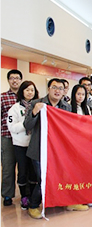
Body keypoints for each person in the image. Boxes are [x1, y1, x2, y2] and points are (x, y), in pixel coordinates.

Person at [24, 78, 88, 219]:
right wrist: (34, 112)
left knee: (65, 176)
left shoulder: (65, 106)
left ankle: (69, 202)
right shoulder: (37, 103)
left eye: (60, 88)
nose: (57, 91)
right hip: (40, 149)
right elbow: (27, 126)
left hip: (60, 150)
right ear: (48, 89)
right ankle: (33, 205)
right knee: (43, 178)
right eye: (54, 87)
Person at [7, 81, 38, 210]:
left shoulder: (38, 106)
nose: (30, 92)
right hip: (20, 144)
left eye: (32, 90)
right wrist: (26, 124)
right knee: (22, 171)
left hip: (34, 143)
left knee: (33, 171)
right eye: (27, 90)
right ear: (22, 92)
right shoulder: (15, 108)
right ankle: (24, 196)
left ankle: (32, 196)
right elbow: (12, 127)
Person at [1, 69, 23, 206]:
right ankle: (7, 195)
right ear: (8, 80)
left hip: (23, 138)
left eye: (17, 78)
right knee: (8, 167)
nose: (15, 80)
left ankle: (24, 194)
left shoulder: (26, 96)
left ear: (21, 80)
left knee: (24, 166)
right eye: (12, 78)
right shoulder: (2, 97)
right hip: (7, 137)